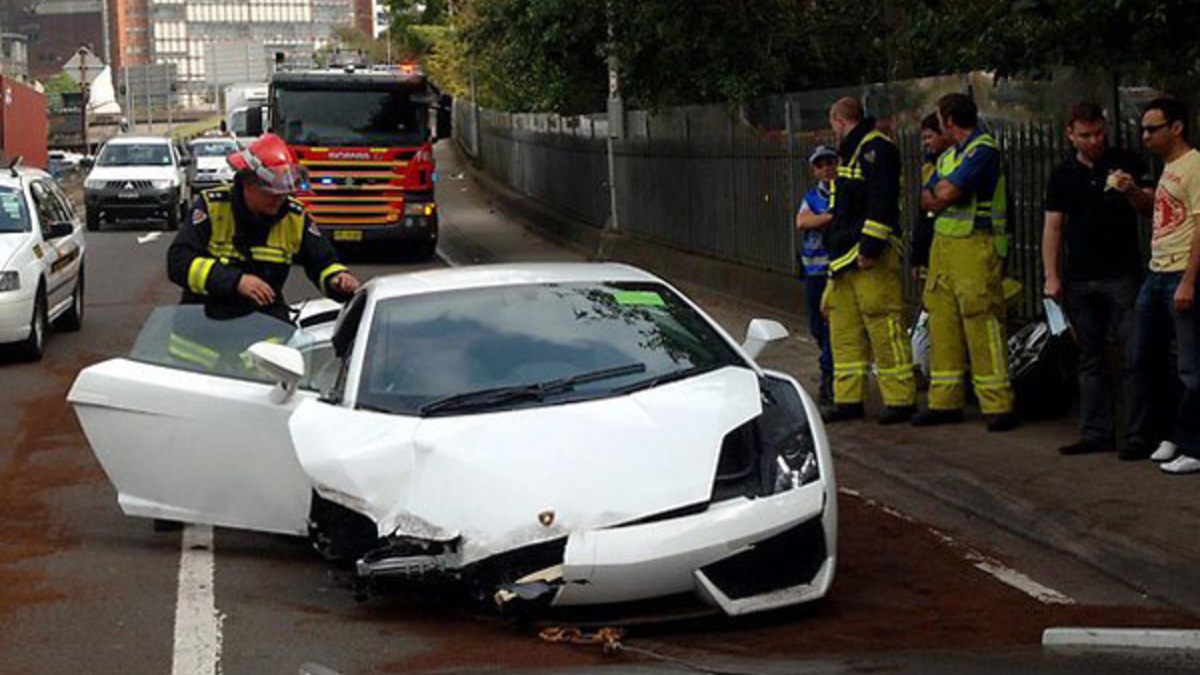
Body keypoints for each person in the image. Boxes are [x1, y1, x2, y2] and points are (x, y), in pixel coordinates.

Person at [1042, 102, 1154, 456]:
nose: (1094, 141)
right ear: (1071, 134)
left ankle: (1138, 434)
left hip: (1121, 272)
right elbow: (1053, 225)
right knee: (1090, 356)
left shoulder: (1126, 162)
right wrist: (1051, 275)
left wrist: (1131, 190)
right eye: (1086, 135)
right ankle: (1096, 431)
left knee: (1133, 354)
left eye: (1099, 133)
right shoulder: (1062, 173)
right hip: (1080, 276)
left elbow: (1148, 205)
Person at [167, 132, 361, 325]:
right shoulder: (213, 207)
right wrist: (235, 282)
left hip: (263, 331)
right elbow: (179, 262)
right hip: (202, 331)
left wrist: (338, 279)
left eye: (284, 192)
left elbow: (323, 261)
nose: (279, 199)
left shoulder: (294, 217)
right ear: (247, 183)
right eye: (270, 192)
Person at [915, 93, 1018, 432]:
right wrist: (937, 198)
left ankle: (998, 403)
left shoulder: (983, 150)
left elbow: (943, 195)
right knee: (941, 321)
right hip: (944, 248)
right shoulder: (949, 156)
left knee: (981, 320)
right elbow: (926, 198)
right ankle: (944, 401)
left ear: (947, 119)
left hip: (976, 244)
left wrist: (937, 197)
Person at [821, 97, 916, 424]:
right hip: (845, 255)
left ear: (838, 120)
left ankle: (901, 399)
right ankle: (848, 400)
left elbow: (882, 201)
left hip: (867, 255)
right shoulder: (850, 149)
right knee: (844, 331)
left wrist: (870, 247)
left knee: (884, 325)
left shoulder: (876, 148)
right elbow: (843, 207)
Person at [1127, 97, 1200, 474]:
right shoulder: (1169, 168)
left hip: (1177, 273)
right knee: (1145, 358)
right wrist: (1131, 192)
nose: (1145, 136)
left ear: (1176, 128)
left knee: (1190, 365)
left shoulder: (1194, 166)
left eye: (1152, 129)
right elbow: (1158, 209)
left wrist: (1188, 280)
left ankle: (1193, 444)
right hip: (1157, 271)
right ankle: (1170, 431)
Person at [795, 145, 838, 406]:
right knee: (816, 327)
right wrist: (828, 218)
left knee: (830, 326)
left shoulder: (843, 193)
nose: (826, 169)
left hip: (835, 272)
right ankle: (829, 364)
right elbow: (802, 222)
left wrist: (819, 219)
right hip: (813, 271)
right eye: (820, 165)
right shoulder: (812, 196)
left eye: (830, 163)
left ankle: (829, 376)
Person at [911, 113, 951, 279]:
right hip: (932, 245)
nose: (926, 143)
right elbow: (923, 213)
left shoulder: (954, 163)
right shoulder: (928, 167)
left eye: (929, 136)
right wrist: (917, 257)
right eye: (924, 138)